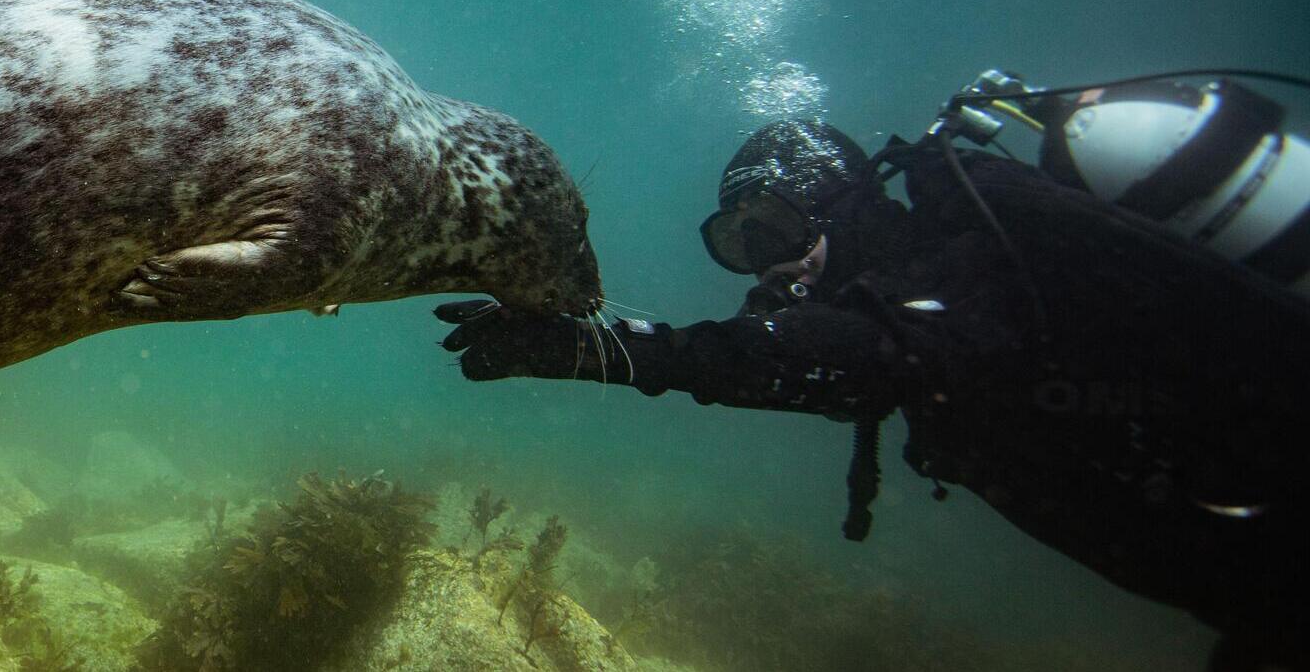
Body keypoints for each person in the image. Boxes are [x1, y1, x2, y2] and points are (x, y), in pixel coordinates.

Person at [436, 109, 1310, 671]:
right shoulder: (911, 305)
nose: (767, 266)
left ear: (839, 213)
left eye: (776, 231)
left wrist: (600, 351)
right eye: (738, 246)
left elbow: (824, 356)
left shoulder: (969, 276)